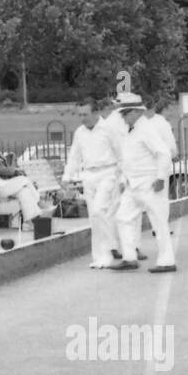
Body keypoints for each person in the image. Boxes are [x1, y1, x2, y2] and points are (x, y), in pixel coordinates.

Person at [110, 97, 175, 272]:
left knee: (159, 222)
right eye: (122, 114)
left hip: (150, 183)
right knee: (123, 217)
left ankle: (167, 261)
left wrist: (161, 178)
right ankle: (130, 257)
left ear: (137, 112)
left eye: (125, 113)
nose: (123, 117)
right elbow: (127, 158)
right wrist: (124, 180)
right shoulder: (130, 129)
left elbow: (164, 154)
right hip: (133, 184)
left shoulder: (145, 129)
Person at [62, 99, 121, 268]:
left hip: (108, 173)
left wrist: (123, 178)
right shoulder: (80, 132)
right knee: (94, 218)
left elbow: (120, 153)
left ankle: (108, 251)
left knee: (99, 210)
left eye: (85, 114)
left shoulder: (109, 129)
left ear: (95, 113)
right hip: (88, 175)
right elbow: (74, 156)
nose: (83, 118)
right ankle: (99, 256)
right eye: (80, 115)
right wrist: (67, 177)